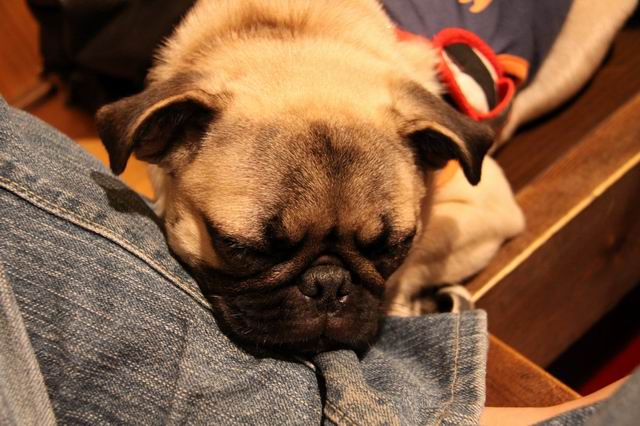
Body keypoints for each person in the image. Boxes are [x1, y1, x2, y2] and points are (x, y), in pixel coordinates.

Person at [0, 96, 637, 425]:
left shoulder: (409, 127)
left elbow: (496, 207)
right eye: (254, 249)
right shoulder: (194, 128)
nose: (328, 290)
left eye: (381, 248)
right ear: (166, 136)